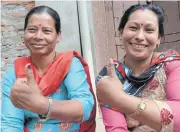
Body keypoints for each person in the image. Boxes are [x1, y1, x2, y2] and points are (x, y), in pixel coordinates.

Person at [1, 6, 96, 132]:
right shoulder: (15, 72)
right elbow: (10, 123)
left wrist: (43, 105)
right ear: (24, 33)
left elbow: (84, 108)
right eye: (32, 30)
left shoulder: (69, 64)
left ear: (58, 36)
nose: (38, 36)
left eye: (46, 31)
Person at [96, 3, 180, 132]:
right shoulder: (111, 78)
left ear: (158, 38)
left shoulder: (171, 64)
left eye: (149, 30)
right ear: (121, 33)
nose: (140, 37)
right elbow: (116, 129)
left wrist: (119, 98)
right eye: (133, 28)